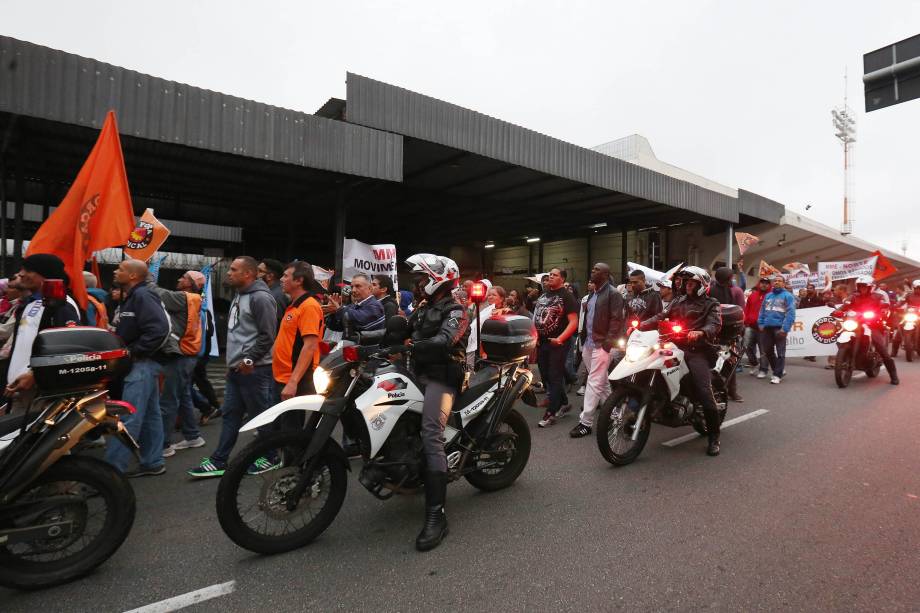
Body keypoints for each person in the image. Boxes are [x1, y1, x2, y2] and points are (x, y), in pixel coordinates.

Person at [188, 256, 278, 478]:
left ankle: (272, 456)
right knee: (230, 414)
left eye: (234, 270)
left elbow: (268, 336)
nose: (229, 273)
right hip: (238, 370)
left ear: (248, 274)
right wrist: (232, 364)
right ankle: (219, 460)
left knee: (261, 417)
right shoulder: (240, 295)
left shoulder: (260, 298)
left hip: (255, 371)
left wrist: (248, 360)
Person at [404, 253, 470, 552]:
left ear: (437, 279)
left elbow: (445, 341)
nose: (417, 284)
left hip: (442, 377)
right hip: (417, 373)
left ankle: (436, 516)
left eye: (421, 278)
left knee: (432, 435)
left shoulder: (456, 310)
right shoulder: (422, 308)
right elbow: (401, 331)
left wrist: (412, 346)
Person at [640, 266, 723, 456]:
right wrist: (641, 325)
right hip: (674, 346)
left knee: (703, 390)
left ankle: (714, 437)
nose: (687, 286)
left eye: (692, 283)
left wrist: (701, 332)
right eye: (686, 283)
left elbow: (714, 324)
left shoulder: (712, 303)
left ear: (702, 285)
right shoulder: (679, 300)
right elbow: (662, 315)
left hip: (697, 350)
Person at [102, 259, 171, 476]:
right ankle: (153, 462)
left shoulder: (142, 295)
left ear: (133, 276)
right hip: (143, 364)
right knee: (150, 415)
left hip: (142, 363)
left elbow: (159, 329)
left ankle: (109, 474)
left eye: (120, 269)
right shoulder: (132, 297)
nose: (115, 271)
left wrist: (133, 352)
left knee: (127, 418)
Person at [4, 254, 82, 413]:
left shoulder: (62, 304)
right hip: (20, 391)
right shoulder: (30, 303)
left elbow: (68, 347)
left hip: (40, 392)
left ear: (45, 274)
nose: (21, 274)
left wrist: (34, 375)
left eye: (29, 270)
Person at [153, 270, 206, 458]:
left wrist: (146, 277)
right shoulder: (193, 298)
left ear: (190, 283)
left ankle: (163, 445)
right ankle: (192, 436)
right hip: (187, 355)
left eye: (183, 278)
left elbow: (159, 294)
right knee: (183, 396)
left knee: (168, 401)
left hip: (181, 356)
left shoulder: (186, 298)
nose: (179, 279)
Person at [271, 261, 325, 438]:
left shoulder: (308, 306)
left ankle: (305, 464)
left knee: (291, 431)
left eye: (286, 275)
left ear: (298, 280)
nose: (281, 279)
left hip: (293, 379)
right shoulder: (295, 305)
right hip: (283, 376)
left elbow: (309, 346)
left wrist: (293, 382)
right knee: (283, 428)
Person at [570, 263, 624, 438]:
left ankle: (585, 422)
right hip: (589, 344)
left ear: (606, 275)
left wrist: (607, 344)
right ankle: (616, 415)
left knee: (593, 382)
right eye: (592, 268)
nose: (592, 271)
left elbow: (617, 320)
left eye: (596, 269)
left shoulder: (613, 294)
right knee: (602, 381)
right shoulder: (592, 294)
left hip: (602, 345)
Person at [533, 268, 579, 428]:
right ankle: (564, 403)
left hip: (558, 343)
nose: (550, 277)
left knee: (554, 375)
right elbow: (536, 317)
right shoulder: (544, 295)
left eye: (555, 275)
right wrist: (535, 337)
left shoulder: (567, 296)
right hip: (543, 342)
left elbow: (574, 322)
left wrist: (560, 339)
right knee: (545, 374)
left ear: (562, 279)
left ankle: (551, 413)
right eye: (550, 274)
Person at [839, 275, 898, 385]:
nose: (862, 288)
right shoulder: (853, 296)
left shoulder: (878, 296)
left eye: (865, 286)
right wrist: (838, 311)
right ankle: (845, 357)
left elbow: (885, 306)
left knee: (881, 349)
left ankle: (893, 375)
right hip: (856, 323)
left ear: (870, 287)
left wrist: (884, 311)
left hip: (873, 325)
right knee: (841, 335)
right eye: (860, 286)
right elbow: (845, 305)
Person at [709, 266, 745, 401]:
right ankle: (716, 389)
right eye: (730, 277)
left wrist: (739, 328)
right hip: (714, 332)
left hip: (729, 332)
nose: (732, 280)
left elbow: (739, 311)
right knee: (714, 361)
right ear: (727, 279)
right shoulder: (710, 290)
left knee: (730, 360)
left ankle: (732, 391)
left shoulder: (734, 291)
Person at [757, 275, 796, 384]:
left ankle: (777, 375)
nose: (777, 282)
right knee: (768, 351)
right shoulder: (768, 296)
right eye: (775, 281)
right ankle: (778, 370)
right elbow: (762, 310)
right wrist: (760, 323)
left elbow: (791, 314)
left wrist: (785, 329)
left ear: (783, 283)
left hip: (780, 328)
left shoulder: (788, 296)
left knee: (780, 353)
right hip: (767, 328)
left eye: (779, 281)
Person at [743, 277, 771, 376]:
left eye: (766, 283)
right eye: (762, 282)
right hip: (750, 326)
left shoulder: (771, 296)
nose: (764, 284)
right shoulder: (752, 296)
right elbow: (747, 309)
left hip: (764, 327)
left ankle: (763, 369)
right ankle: (754, 363)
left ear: (769, 285)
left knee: (763, 349)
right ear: (759, 284)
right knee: (746, 346)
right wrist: (745, 321)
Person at [258, 258, 288, 322]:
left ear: (270, 276)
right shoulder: (270, 293)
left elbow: (273, 324)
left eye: (260, 271)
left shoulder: (275, 296)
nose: (256, 274)